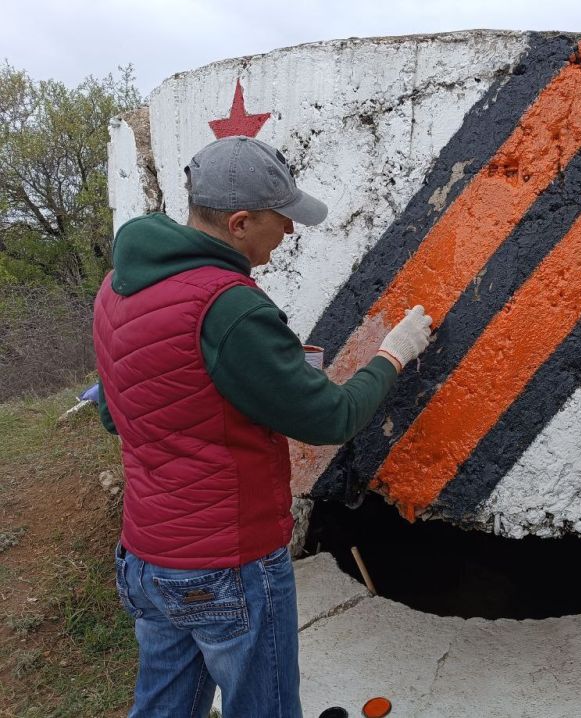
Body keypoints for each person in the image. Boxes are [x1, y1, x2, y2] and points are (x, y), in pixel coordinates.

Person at [93, 136, 432, 718]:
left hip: (148, 560)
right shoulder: (230, 306)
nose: (292, 233)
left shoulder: (118, 289)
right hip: (227, 564)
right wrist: (393, 354)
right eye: (284, 220)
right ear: (242, 222)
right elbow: (333, 417)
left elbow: (114, 411)